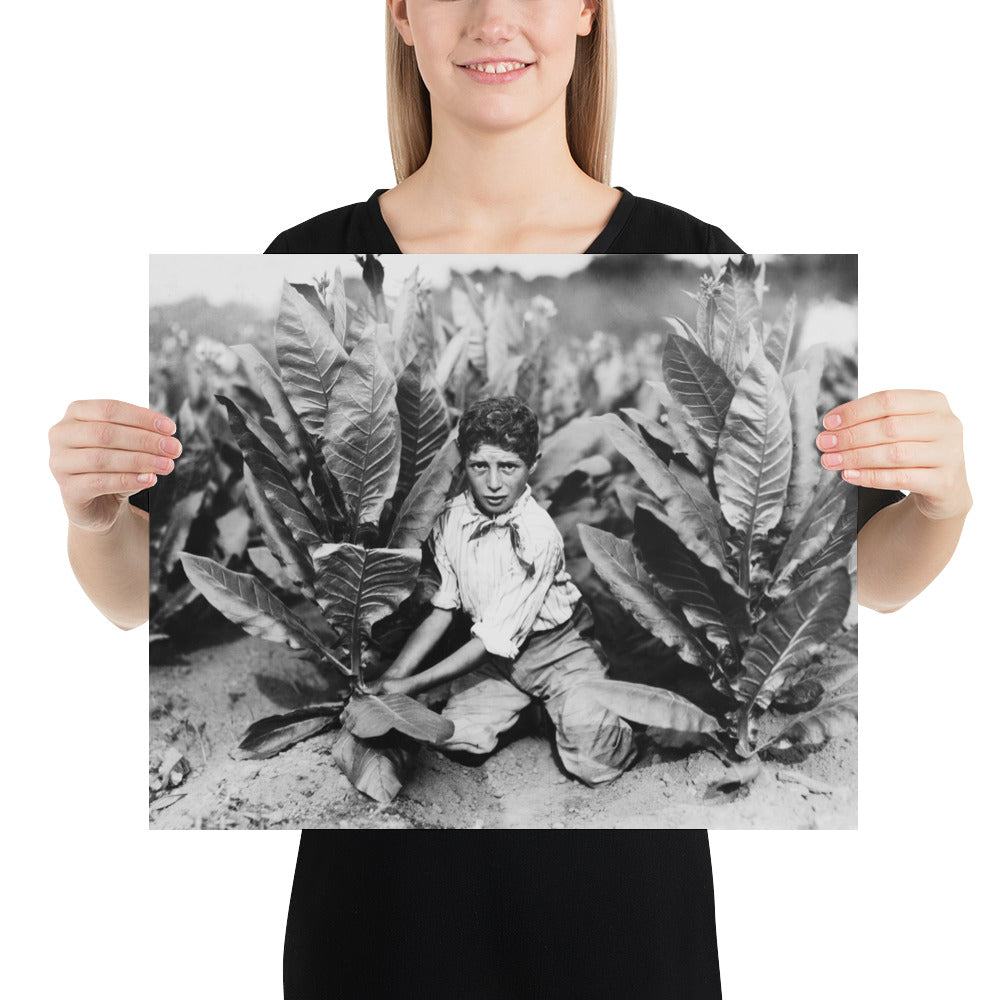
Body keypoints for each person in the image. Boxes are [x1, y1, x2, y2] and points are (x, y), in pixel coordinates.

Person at [46, 2, 972, 997]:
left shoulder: (694, 250)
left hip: (621, 937)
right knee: (460, 727)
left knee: (578, 736)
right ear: (402, 14)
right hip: (377, 937)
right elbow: (128, 598)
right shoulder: (311, 253)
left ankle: (622, 723)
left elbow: (857, 591)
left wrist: (941, 507)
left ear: (586, 13)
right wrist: (93, 519)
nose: (495, 16)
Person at [375, 395, 639, 784]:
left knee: (596, 762)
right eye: (480, 466)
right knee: (455, 740)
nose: (494, 483)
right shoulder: (450, 519)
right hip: (498, 660)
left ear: (532, 465)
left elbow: (492, 638)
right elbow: (444, 609)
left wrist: (410, 686)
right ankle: (529, 714)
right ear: (464, 463)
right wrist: (394, 674)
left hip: (558, 650)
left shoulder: (538, 535)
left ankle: (585, 706)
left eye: (509, 467)